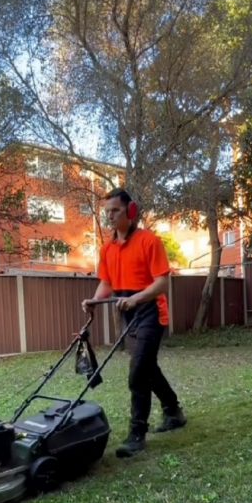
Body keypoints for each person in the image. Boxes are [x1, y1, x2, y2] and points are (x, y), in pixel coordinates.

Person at [83, 188, 187, 458]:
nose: (110, 216)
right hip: (127, 314)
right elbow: (106, 283)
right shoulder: (107, 249)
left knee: (138, 372)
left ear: (130, 211)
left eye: (115, 210)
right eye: (107, 212)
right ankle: (173, 411)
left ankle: (136, 433)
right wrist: (94, 301)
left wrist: (137, 299)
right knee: (148, 368)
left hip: (151, 313)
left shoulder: (149, 241)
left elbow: (162, 283)